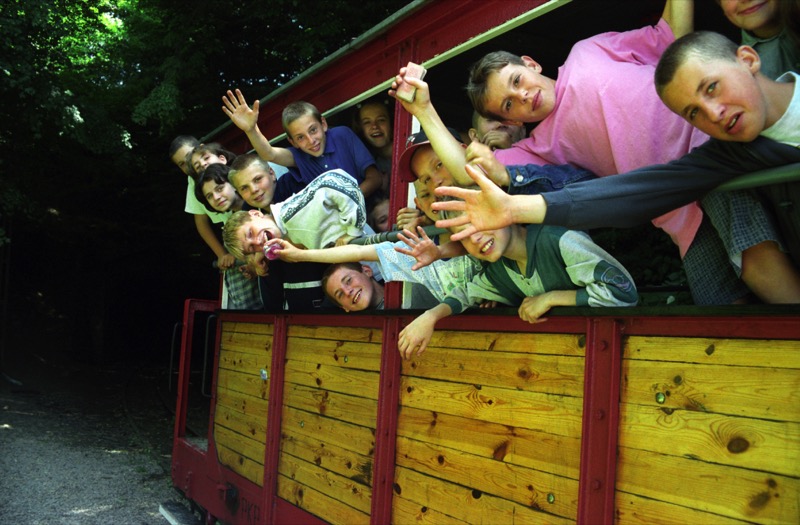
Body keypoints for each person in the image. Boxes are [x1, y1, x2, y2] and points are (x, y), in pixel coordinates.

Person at [391, 2, 782, 305]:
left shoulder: (588, 51)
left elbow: (670, 37)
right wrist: (423, 110)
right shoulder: (541, 147)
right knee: (718, 305)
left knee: (757, 263)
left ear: (530, 64)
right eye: (509, 105)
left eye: (517, 80)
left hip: (711, 158)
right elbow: (468, 174)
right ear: (510, 121)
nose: (522, 95)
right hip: (673, 211)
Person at [396, 205, 639, 360]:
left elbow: (624, 292)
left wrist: (551, 298)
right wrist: (430, 317)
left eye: (479, 223)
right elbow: (465, 295)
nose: (476, 238)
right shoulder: (499, 272)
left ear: (505, 210)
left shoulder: (558, 240)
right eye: (464, 237)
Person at [264, 225, 484, 312]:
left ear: (367, 271)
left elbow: (358, 252)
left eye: (348, 281)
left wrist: (300, 255)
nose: (348, 291)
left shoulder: (401, 265)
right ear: (344, 308)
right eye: (340, 295)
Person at [222, 89, 383, 199]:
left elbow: (375, 178)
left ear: (323, 124)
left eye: (313, 130)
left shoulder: (342, 135)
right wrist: (251, 130)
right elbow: (268, 154)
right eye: (300, 137)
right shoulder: (298, 157)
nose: (311, 141)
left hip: (373, 209)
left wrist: (350, 200)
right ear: (292, 142)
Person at [352, 96, 394, 193]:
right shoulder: (368, 167)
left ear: (391, 122)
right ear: (360, 129)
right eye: (367, 122)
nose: (374, 126)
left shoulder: (409, 147)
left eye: (381, 120)